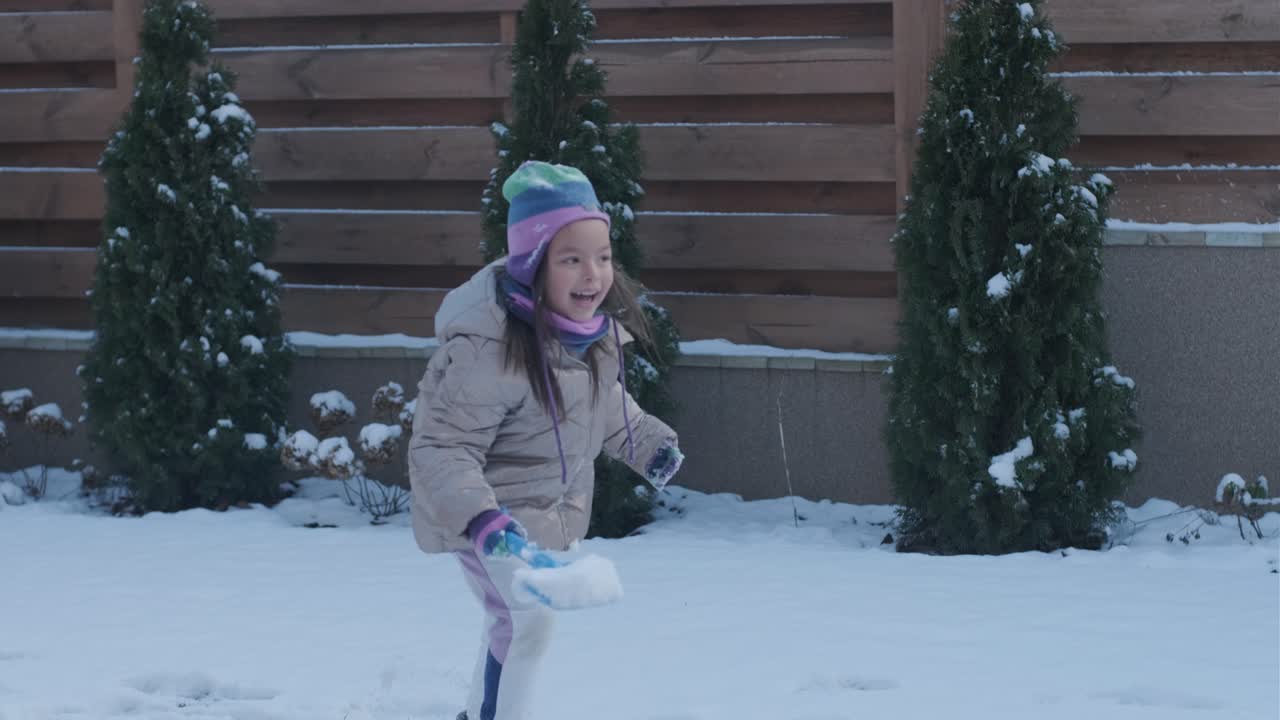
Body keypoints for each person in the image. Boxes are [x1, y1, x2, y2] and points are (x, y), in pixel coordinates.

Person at [408, 160, 684, 720]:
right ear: (534, 266)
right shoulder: (488, 348)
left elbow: (604, 408)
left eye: (603, 257)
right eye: (572, 259)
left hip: (536, 522)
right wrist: (485, 523)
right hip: (488, 523)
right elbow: (442, 447)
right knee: (530, 623)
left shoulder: (588, 340)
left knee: (508, 621)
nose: (593, 275)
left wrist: (648, 443)